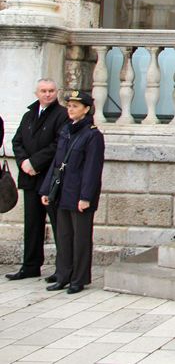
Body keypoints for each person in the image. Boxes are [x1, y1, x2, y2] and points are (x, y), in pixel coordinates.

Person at [38, 91, 104, 294]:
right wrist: (48, 189)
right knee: (64, 235)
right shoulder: (66, 131)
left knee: (81, 238)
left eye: (75, 106)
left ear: (86, 109)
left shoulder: (92, 135)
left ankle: (79, 278)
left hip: (79, 194)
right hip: (63, 191)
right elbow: (57, 163)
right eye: (69, 106)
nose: (71, 110)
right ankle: (63, 274)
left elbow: (92, 169)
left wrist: (85, 197)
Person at [7, 79, 68, 282]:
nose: (47, 94)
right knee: (32, 224)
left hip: (49, 178)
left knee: (59, 224)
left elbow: (58, 144)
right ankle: (30, 265)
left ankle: (62, 269)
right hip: (29, 178)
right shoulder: (29, 115)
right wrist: (24, 162)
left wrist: (35, 162)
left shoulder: (62, 115)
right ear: (37, 93)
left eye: (51, 91)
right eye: (43, 91)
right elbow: (17, 141)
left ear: (56, 92)